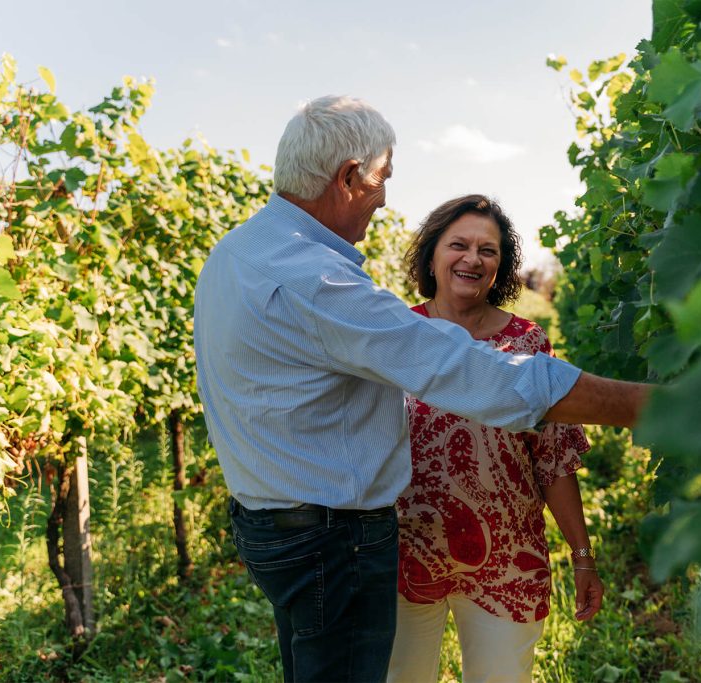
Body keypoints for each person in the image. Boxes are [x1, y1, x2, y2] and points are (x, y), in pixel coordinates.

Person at [193, 95, 649, 683]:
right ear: (349, 177)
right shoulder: (317, 282)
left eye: (488, 250)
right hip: (335, 542)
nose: (384, 196)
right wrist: (654, 405)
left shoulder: (239, 253)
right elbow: (469, 373)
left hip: (277, 527)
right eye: (382, 178)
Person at [387, 195, 602, 683]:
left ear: (500, 266)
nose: (472, 259)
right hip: (405, 552)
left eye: (488, 250)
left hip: (508, 559)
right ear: (432, 255)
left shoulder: (529, 345)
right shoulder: (397, 336)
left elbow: (554, 462)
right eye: (458, 244)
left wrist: (583, 557)